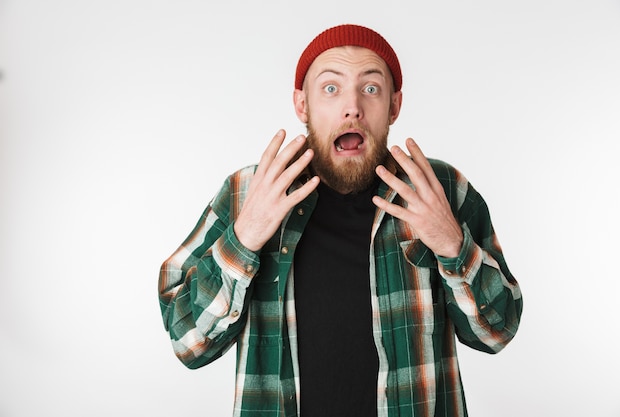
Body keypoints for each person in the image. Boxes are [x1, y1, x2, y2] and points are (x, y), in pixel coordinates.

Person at [158, 24, 523, 417]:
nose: (353, 107)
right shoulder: (248, 192)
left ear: (394, 106)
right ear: (302, 105)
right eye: (331, 88)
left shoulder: (441, 189)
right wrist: (244, 238)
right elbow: (188, 343)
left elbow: (497, 333)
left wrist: (453, 246)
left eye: (371, 89)